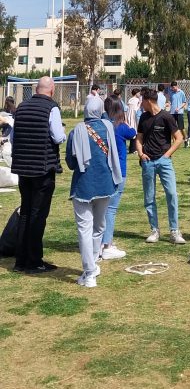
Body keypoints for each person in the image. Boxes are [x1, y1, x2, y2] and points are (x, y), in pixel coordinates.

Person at [66, 95, 122, 288]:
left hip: (83, 186)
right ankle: (93, 262)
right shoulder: (108, 128)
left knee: (85, 229)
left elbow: (71, 162)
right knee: (99, 226)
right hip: (106, 184)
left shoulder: (76, 131)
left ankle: (89, 272)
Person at [11, 75, 66, 274]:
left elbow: (13, 136)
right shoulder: (52, 108)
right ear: (52, 90)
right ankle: (34, 261)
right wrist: (64, 133)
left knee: (25, 212)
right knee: (38, 214)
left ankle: (21, 260)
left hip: (23, 168)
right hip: (43, 168)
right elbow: (58, 137)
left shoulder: (21, 108)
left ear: (36, 90)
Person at [136, 88, 186, 244]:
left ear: (148, 101)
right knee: (149, 197)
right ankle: (154, 230)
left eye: (142, 101)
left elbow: (179, 138)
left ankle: (174, 231)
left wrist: (167, 155)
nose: (141, 104)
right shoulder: (143, 117)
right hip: (148, 162)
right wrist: (141, 154)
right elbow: (139, 138)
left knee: (171, 194)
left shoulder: (166, 117)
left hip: (164, 161)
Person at [100, 97, 137, 259]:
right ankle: (107, 244)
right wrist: (127, 122)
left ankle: (100, 242)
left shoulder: (101, 125)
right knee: (111, 209)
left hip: (103, 171)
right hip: (118, 171)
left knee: (101, 208)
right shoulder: (120, 127)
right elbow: (133, 133)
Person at [126, 88, 141, 154]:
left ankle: (132, 148)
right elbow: (136, 109)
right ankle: (133, 149)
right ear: (136, 93)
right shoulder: (136, 100)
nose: (139, 94)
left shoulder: (130, 99)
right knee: (135, 132)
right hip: (134, 117)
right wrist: (140, 104)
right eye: (139, 93)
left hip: (129, 116)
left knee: (132, 131)